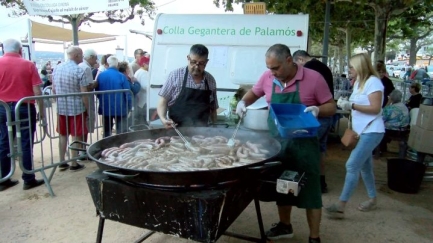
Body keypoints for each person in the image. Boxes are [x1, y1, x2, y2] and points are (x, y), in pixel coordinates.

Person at [236, 44, 336, 243]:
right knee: (282, 187)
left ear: (289, 61)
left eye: (276, 68)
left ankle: (314, 237)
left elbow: (331, 106)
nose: (272, 72)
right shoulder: (267, 78)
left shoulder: (314, 78)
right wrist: (243, 103)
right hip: (278, 145)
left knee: (311, 192)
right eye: (269, 68)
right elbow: (254, 93)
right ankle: (285, 226)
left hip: (305, 145)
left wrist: (318, 110)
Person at [326, 53, 384, 218]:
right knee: (365, 167)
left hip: (372, 130)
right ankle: (372, 199)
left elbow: (376, 109)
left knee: (352, 165)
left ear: (360, 67)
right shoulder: (360, 82)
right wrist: (347, 105)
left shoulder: (373, 82)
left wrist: (351, 105)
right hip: (363, 131)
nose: (349, 70)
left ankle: (341, 206)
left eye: (351, 67)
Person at [0, 39, 45, 191]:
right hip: (24, 107)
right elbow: (37, 91)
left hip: (3, 107)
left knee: (4, 141)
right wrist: (42, 113)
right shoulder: (28, 65)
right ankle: (28, 178)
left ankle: (4, 178)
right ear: (20, 50)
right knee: (26, 142)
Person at [293, 50, 335, 193]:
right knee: (321, 150)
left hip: (316, 115)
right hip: (327, 116)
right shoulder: (324, 67)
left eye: (296, 64)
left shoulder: (309, 69)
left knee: (307, 149)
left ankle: (307, 183)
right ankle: (321, 182)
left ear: (300, 59)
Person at [157, 44, 218, 128]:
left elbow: (213, 108)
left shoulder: (210, 80)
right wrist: (163, 119)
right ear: (188, 58)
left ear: (206, 62)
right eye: (193, 62)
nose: (196, 66)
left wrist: (215, 127)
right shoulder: (175, 75)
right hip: (176, 129)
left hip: (202, 132)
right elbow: (163, 100)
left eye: (201, 63)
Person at [52, 46, 89, 172]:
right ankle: (73, 162)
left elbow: (54, 89)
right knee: (76, 135)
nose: (82, 57)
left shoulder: (57, 68)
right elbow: (84, 93)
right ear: (77, 55)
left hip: (61, 107)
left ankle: (62, 161)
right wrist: (87, 108)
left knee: (63, 134)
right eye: (82, 55)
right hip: (76, 108)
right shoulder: (79, 71)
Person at [96, 56, 132, 137]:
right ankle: (121, 147)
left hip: (105, 107)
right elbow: (128, 93)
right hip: (120, 108)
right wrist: (130, 106)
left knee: (107, 131)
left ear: (108, 64)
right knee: (121, 131)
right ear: (117, 64)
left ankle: (106, 147)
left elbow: (97, 91)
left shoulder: (101, 75)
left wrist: (101, 100)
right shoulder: (121, 76)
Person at [78, 49, 98, 159]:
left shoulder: (80, 66)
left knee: (80, 127)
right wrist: (95, 83)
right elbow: (89, 86)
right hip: (86, 100)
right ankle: (82, 151)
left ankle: (79, 150)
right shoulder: (86, 68)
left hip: (80, 101)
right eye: (95, 58)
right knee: (85, 126)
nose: (95, 61)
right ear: (90, 57)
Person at [134, 56, 150, 125]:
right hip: (144, 101)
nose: (149, 65)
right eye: (148, 63)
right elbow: (146, 86)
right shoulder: (144, 73)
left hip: (139, 100)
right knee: (143, 120)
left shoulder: (138, 71)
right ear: (144, 64)